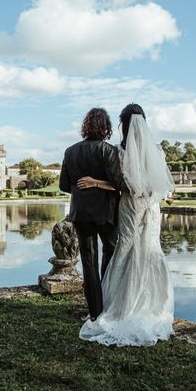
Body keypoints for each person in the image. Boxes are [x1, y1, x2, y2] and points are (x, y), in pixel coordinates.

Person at [78, 103, 176, 346]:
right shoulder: (156, 150)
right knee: (151, 248)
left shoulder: (120, 151)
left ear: (123, 124)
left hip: (131, 205)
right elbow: (159, 186)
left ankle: (119, 306)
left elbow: (122, 185)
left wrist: (94, 183)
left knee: (128, 247)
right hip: (151, 207)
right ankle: (155, 303)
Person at [59, 107, 125, 321]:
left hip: (81, 213)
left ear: (85, 126)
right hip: (106, 212)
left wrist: (82, 189)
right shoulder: (109, 151)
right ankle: (107, 304)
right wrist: (99, 185)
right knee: (109, 253)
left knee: (88, 261)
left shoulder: (70, 151)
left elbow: (64, 185)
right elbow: (118, 184)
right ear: (106, 127)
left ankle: (95, 311)